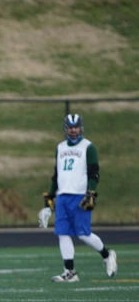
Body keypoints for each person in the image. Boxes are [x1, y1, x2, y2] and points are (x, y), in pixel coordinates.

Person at [38, 114, 117, 282]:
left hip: (80, 195)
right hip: (62, 196)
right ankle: (70, 271)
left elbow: (94, 172)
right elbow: (56, 174)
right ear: (65, 128)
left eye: (76, 126)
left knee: (83, 234)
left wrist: (91, 192)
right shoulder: (60, 147)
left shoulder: (88, 147)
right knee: (62, 233)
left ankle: (107, 254)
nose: (73, 130)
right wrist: (49, 200)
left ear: (81, 127)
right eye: (70, 127)